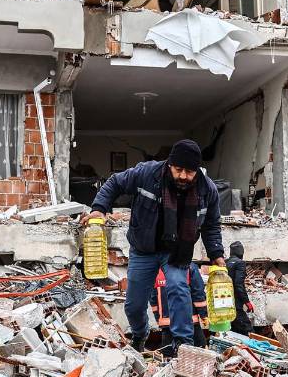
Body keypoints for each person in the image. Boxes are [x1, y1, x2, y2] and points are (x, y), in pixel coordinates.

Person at [84, 139, 224, 356]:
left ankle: (182, 345)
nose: (184, 177)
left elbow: (211, 225)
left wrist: (217, 255)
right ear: (170, 165)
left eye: (190, 172)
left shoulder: (208, 190)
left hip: (177, 252)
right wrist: (99, 208)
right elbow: (114, 183)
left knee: (178, 287)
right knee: (134, 304)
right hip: (143, 250)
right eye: (179, 170)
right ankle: (140, 335)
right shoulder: (147, 174)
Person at [149, 263, 209, 348]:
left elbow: (153, 298)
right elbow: (198, 294)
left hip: (167, 325)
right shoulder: (189, 267)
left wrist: (157, 318)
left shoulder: (156, 270)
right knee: (200, 354)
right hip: (190, 323)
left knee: (169, 357)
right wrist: (204, 315)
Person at [228, 241, 254, 335]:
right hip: (236, 305)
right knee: (248, 331)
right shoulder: (240, 263)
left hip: (226, 302)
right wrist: (247, 302)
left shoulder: (226, 262)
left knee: (234, 331)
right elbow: (238, 284)